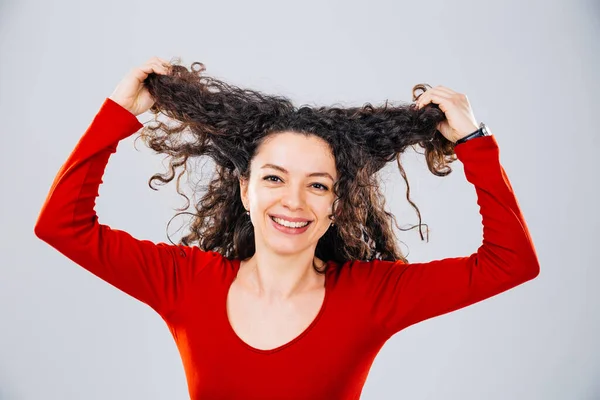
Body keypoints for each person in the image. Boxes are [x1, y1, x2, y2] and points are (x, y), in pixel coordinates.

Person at [34, 56, 540, 399]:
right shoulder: (185, 283)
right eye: (274, 178)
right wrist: (119, 112)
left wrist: (474, 140)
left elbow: (511, 263)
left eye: (318, 186)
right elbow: (62, 225)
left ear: (337, 205)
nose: (293, 201)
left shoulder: (371, 296)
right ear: (245, 190)